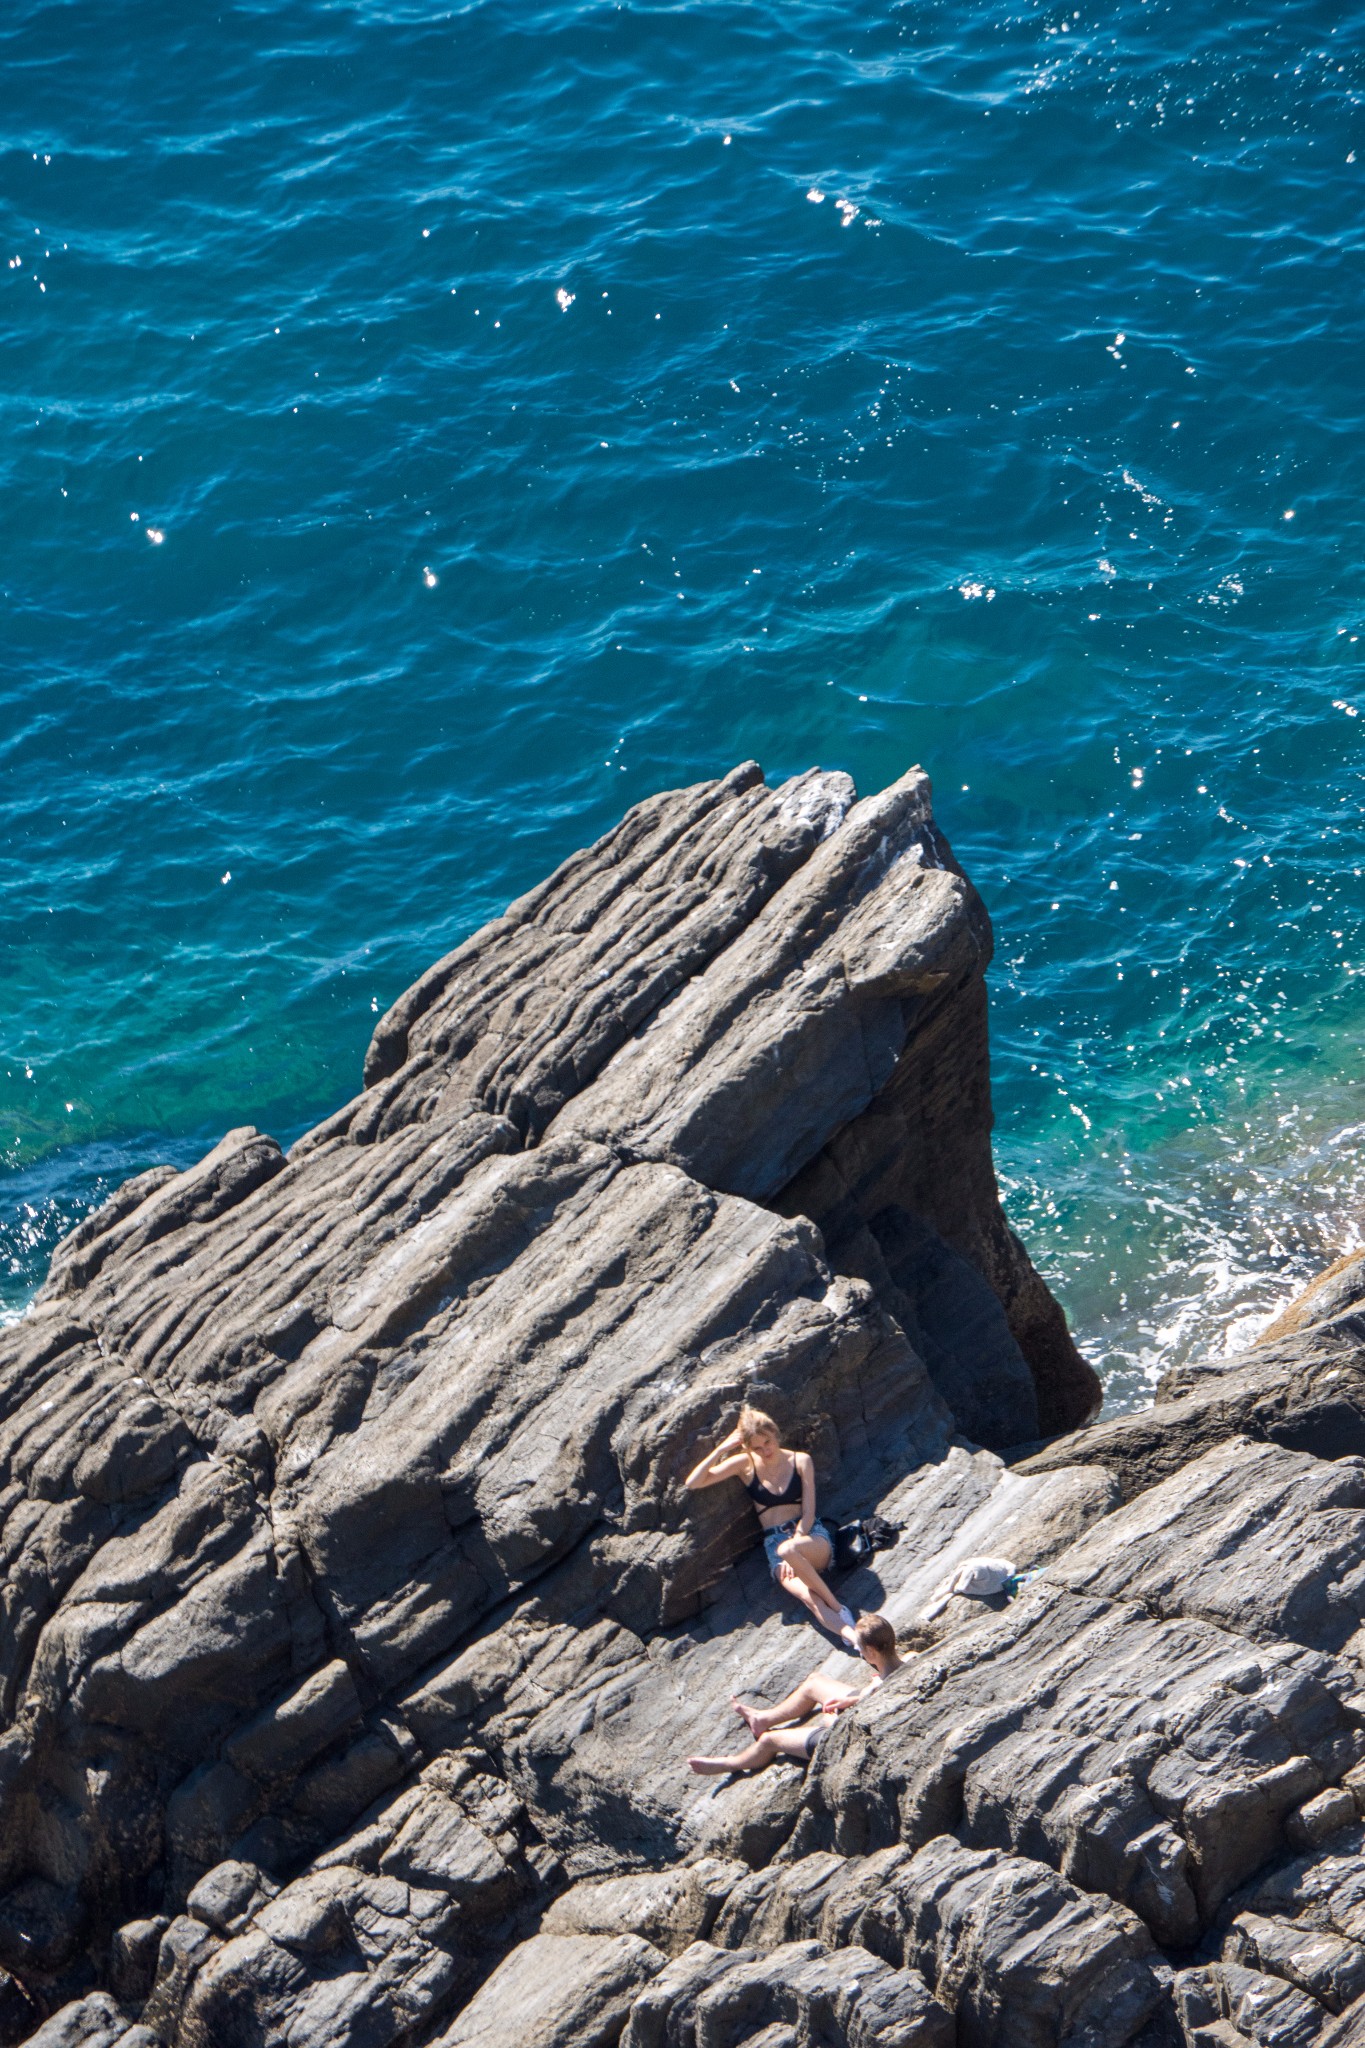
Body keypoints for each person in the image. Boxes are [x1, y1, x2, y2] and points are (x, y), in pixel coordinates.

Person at [684, 1404, 853, 1637]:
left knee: (788, 1549)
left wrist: (793, 1548)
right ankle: (854, 1638)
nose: (765, 1451)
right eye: (757, 1447)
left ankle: (838, 1607)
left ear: (775, 1433)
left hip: (809, 1537)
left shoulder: (801, 1461)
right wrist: (721, 1449)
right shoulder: (745, 1464)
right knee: (808, 1598)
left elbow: (809, 1511)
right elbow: (693, 1482)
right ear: (747, 1447)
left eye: (767, 1442)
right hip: (775, 1545)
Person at [687, 1612, 903, 1776]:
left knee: (769, 1740)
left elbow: (845, 1732)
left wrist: (831, 1718)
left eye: (861, 1648)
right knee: (814, 1682)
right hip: (864, 1703)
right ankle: (762, 1718)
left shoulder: (875, 1689)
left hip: (844, 1737)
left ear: (872, 1651)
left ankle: (730, 1764)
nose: (860, 1652)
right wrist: (852, 1699)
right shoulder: (910, 1660)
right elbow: (876, 1691)